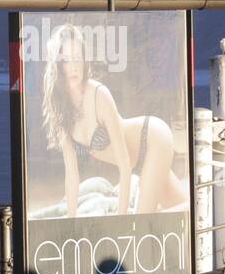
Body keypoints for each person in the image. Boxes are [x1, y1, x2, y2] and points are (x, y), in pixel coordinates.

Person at [41, 23, 188, 217]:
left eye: (78, 58)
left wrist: (121, 217)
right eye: (67, 60)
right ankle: (198, 207)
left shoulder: (98, 95)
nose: (74, 66)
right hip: (140, 163)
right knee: (184, 209)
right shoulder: (62, 110)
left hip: (152, 139)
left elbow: (124, 165)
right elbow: (72, 175)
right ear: (58, 65)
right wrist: (71, 220)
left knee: (140, 221)